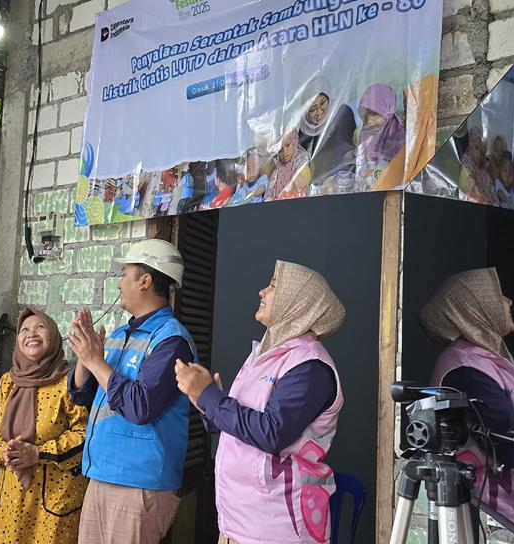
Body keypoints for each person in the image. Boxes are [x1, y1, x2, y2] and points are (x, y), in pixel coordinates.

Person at [176, 261, 346, 544]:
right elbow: (240, 425)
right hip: (238, 524)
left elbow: (272, 433)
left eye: (274, 286)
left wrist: (212, 398)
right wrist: (205, 400)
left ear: (296, 301)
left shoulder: (310, 366)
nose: (262, 291)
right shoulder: (265, 355)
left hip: (277, 529)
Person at [66, 239, 196, 544]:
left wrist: (96, 361)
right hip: (102, 473)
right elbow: (82, 397)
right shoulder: (119, 334)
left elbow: (140, 406)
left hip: (139, 483)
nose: (119, 283)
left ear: (145, 281)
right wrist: (86, 360)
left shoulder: (171, 340)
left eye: (125, 274)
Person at [420, 268, 514, 544]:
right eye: (498, 295)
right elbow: (508, 447)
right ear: (478, 307)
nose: (508, 301)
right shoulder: (466, 371)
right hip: (507, 518)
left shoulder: (484, 360)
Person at [0, 307, 88, 544]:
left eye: (40, 327)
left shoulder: (68, 382)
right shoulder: (9, 381)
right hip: (10, 497)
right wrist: (5, 453)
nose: (32, 334)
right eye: (25, 329)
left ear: (52, 336)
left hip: (53, 499)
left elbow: (85, 435)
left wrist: (38, 453)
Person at [296, 76, 356, 187]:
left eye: (323, 103)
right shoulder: (306, 127)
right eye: (312, 109)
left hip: (338, 179)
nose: (319, 112)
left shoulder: (341, 112)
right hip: (311, 186)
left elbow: (343, 148)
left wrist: (332, 179)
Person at [354, 83, 408, 188]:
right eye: (367, 113)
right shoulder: (367, 130)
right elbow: (359, 159)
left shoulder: (397, 132)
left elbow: (393, 165)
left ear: (387, 110)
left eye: (375, 114)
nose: (369, 120)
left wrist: (373, 174)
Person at [268, 128, 310, 200]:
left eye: (288, 145)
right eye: (280, 150)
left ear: (294, 142)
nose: (284, 152)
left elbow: (303, 183)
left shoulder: (300, 159)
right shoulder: (276, 163)